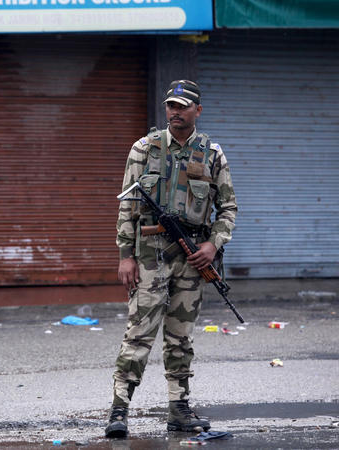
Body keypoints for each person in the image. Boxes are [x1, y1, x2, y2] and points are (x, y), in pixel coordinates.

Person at [105, 80, 238, 438]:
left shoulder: (212, 154)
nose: (175, 112)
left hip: (193, 256)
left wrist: (213, 243)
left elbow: (228, 208)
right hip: (150, 255)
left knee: (180, 337)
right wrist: (125, 256)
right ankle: (119, 410)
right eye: (171, 106)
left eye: (183, 106)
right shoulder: (144, 149)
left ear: (198, 110)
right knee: (139, 333)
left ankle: (179, 408)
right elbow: (128, 206)